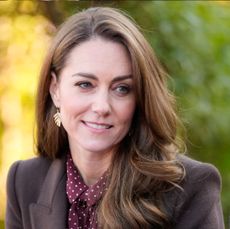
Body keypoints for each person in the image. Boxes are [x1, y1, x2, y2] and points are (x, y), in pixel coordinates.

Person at [5, 7, 224, 229]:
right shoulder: (24, 181)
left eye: (121, 89)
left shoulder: (191, 188)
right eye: (85, 84)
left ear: (139, 98)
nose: (102, 107)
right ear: (55, 89)